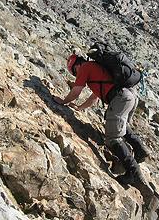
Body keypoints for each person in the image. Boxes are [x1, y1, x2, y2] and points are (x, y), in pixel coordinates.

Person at [53, 51, 150, 185]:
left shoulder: (86, 67)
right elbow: (93, 98)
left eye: (75, 70)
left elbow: (76, 91)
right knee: (122, 126)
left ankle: (133, 173)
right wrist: (80, 108)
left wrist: (63, 101)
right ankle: (140, 150)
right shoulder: (96, 69)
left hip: (120, 98)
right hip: (130, 96)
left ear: (77, 64)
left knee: (112, 138)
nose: (77, 74)